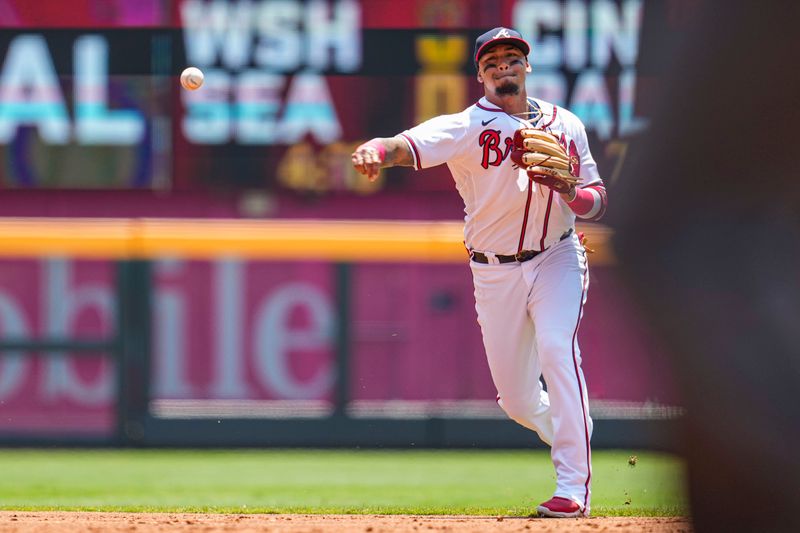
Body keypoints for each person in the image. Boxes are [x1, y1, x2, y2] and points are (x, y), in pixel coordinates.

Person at [351, 27, 608, 518]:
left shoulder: (567, 124)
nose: (503, 65)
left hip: (558, 256)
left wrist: (571, 193)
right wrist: (377, 151)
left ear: (526, 67)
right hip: (494, 272)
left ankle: (573, 486)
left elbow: (597, 201)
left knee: (558, 348)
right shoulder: (467, 125)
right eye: (492, 60)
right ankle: (577, 434)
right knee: (516, 400)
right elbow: (407, 144)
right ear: (480, 73)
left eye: (512, 57)